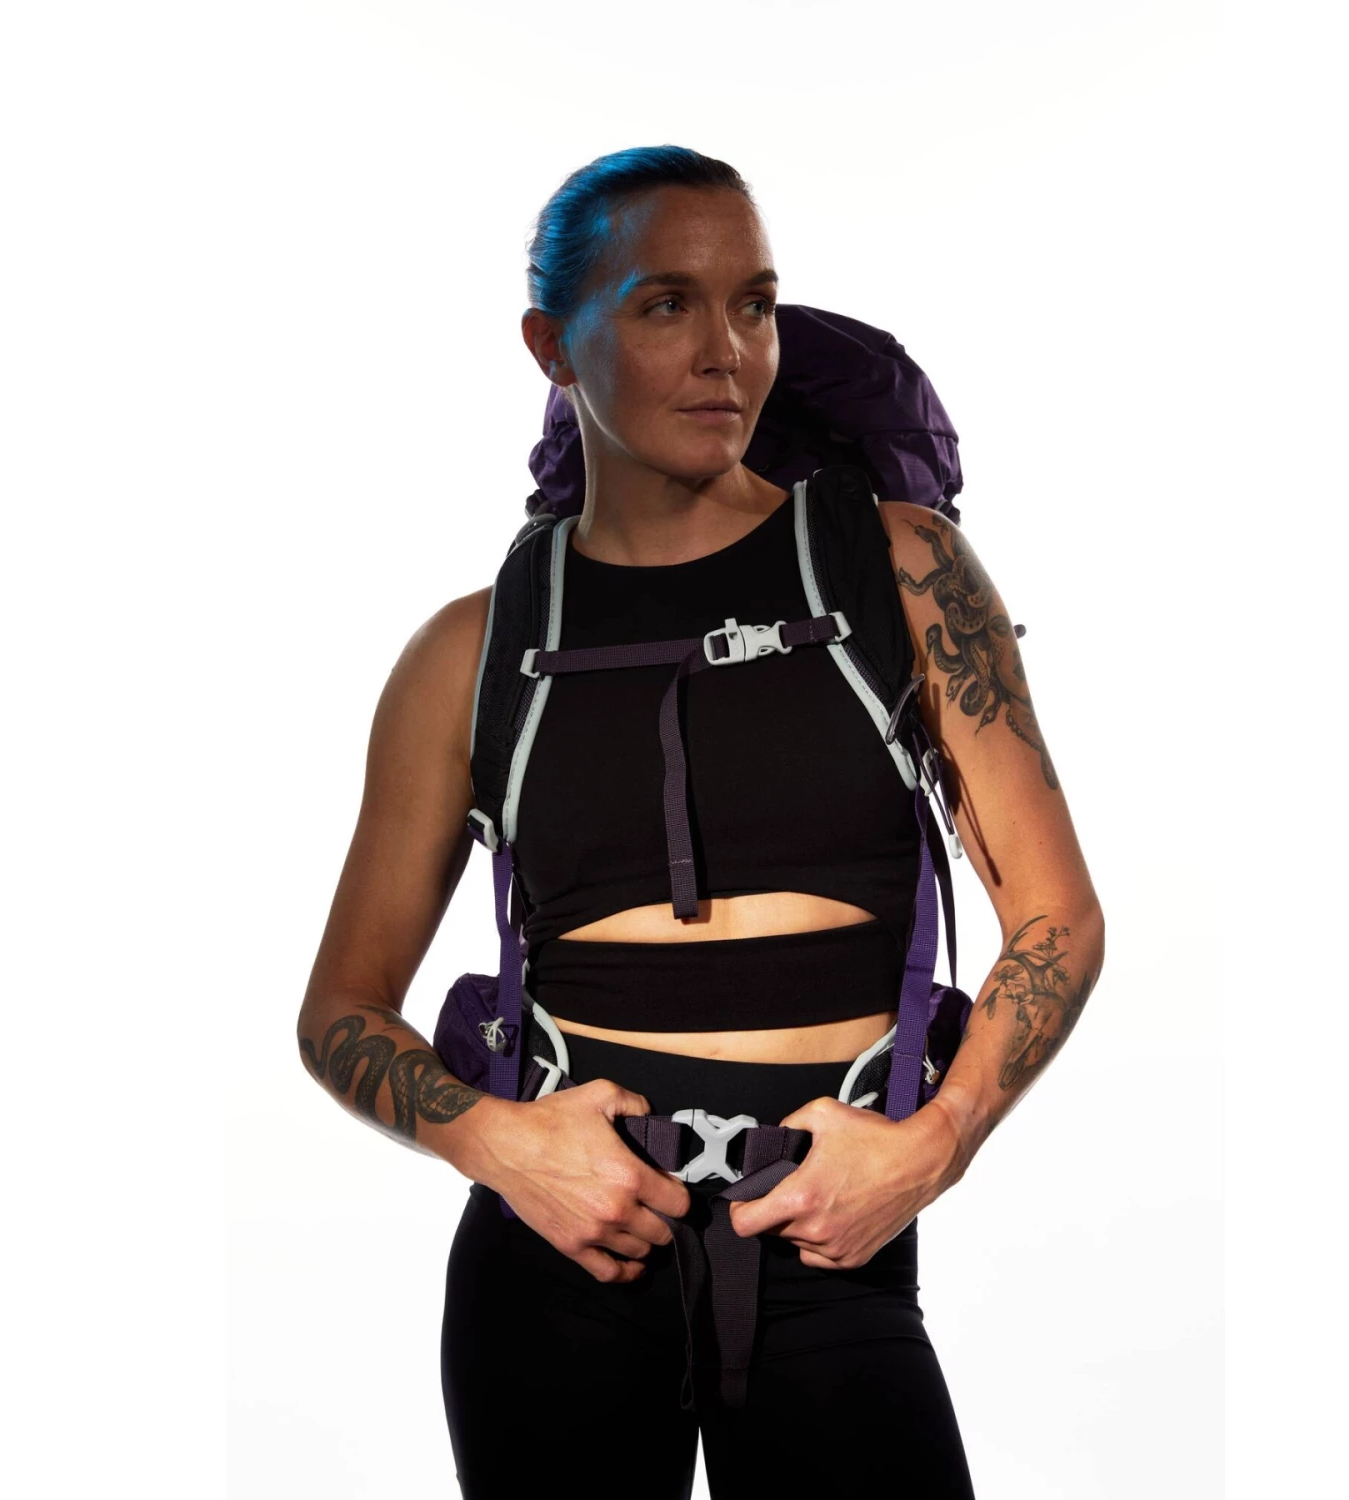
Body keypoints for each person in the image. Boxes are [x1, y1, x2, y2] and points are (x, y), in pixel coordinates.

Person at [296, 146, 1105, 1499]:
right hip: (559, 1259)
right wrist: (497, 1144)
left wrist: (936, 1144)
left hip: (833, 1247)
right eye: (666, 304)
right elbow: (339, 1010)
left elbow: (1058, 915)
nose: (727, 351)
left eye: (755, 304)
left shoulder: (899, 569)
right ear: (553, 346)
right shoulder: (471, 652)